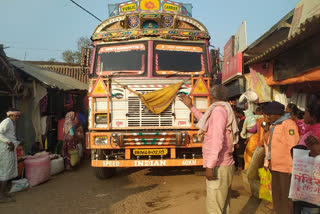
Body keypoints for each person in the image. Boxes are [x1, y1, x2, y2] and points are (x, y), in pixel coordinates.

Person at [179, 85, 238, 214]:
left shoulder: (218, 111)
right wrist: (191, 107)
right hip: (225, 165)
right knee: (223, 207)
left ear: (211, 97)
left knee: (215, 208)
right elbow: (207, 122)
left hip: (219, 165)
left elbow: (217, 140)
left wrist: (210, 166)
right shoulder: (222, 110)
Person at [263, 101, 299, 214]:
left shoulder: (289, 124)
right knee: (277, 195)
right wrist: (267, 162)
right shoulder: (274, 125)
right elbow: (269, 145)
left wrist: (292, 167)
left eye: (269, 115)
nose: (268, 117)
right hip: (275, 166)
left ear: (276, 114)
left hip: (286, 168)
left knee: (286, 197)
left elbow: (293, 146)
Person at [291, 94, 320, 214]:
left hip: (311, 188)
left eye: (306, 112)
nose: (304, 115)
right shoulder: (310, 132)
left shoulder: (313, 135)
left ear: (313, 117)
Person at [0, 109, 23, 203]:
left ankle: (4, 193)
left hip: (8, 149)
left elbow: (9, 136)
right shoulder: (7, 122)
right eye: (16, 116)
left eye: (18, 116)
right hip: (5, 150)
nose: (17, 118)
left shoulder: (10, 122)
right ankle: (2, 196)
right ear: (11, 115)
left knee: (7, 171)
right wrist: (8, 142)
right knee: (5, 172)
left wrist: (17, 141)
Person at [233, 107, 246, 173]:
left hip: (241, 142)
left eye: (236, 113)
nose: (236, 115)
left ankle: (240, 168)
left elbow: (240, 133)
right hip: (243, 141)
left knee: (240, 155)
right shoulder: (243, 120)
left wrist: (238, 142)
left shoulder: (242, 121)